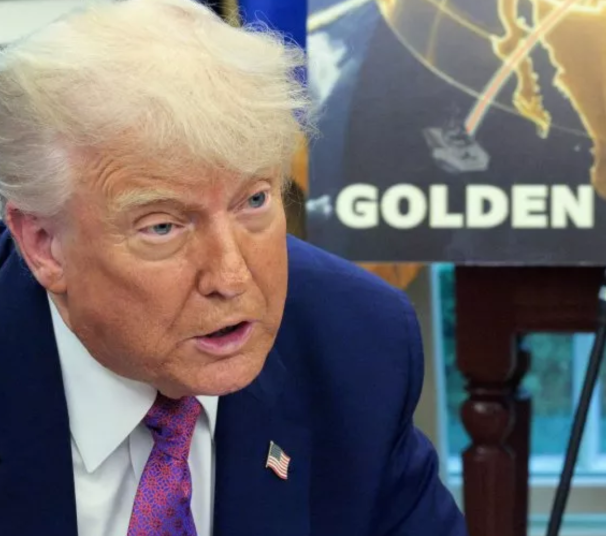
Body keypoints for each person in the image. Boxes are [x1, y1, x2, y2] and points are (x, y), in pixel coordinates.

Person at [0, 0, 466, 535]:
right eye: (162, 227)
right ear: (44, 245)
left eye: (254, 201)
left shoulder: (356, 345)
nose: (231, 277)